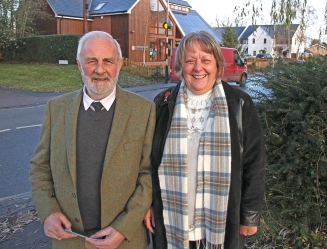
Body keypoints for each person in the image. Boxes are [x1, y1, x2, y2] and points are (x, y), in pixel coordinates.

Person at [29, 31, 156, 249]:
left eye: (108, 61)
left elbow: (149, 174)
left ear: (120, 64)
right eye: (91, 61)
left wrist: (123, 227)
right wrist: (47, 212)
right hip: (70, 240)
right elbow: (40, 168)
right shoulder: (56, 109)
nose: (99, 69)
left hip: (125, 241)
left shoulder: (143, 111)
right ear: (79, 65)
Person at [144, 30, 266, 249]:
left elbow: (254, 163)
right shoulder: (162, 104)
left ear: (218, 65)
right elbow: (148, 162)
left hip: (222, 221)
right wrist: (147, 204)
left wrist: (249, 216)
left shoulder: (239, 104)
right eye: (190, 60)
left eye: (206, 60)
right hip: (173, 222)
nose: (198, 68)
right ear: (181, 67)